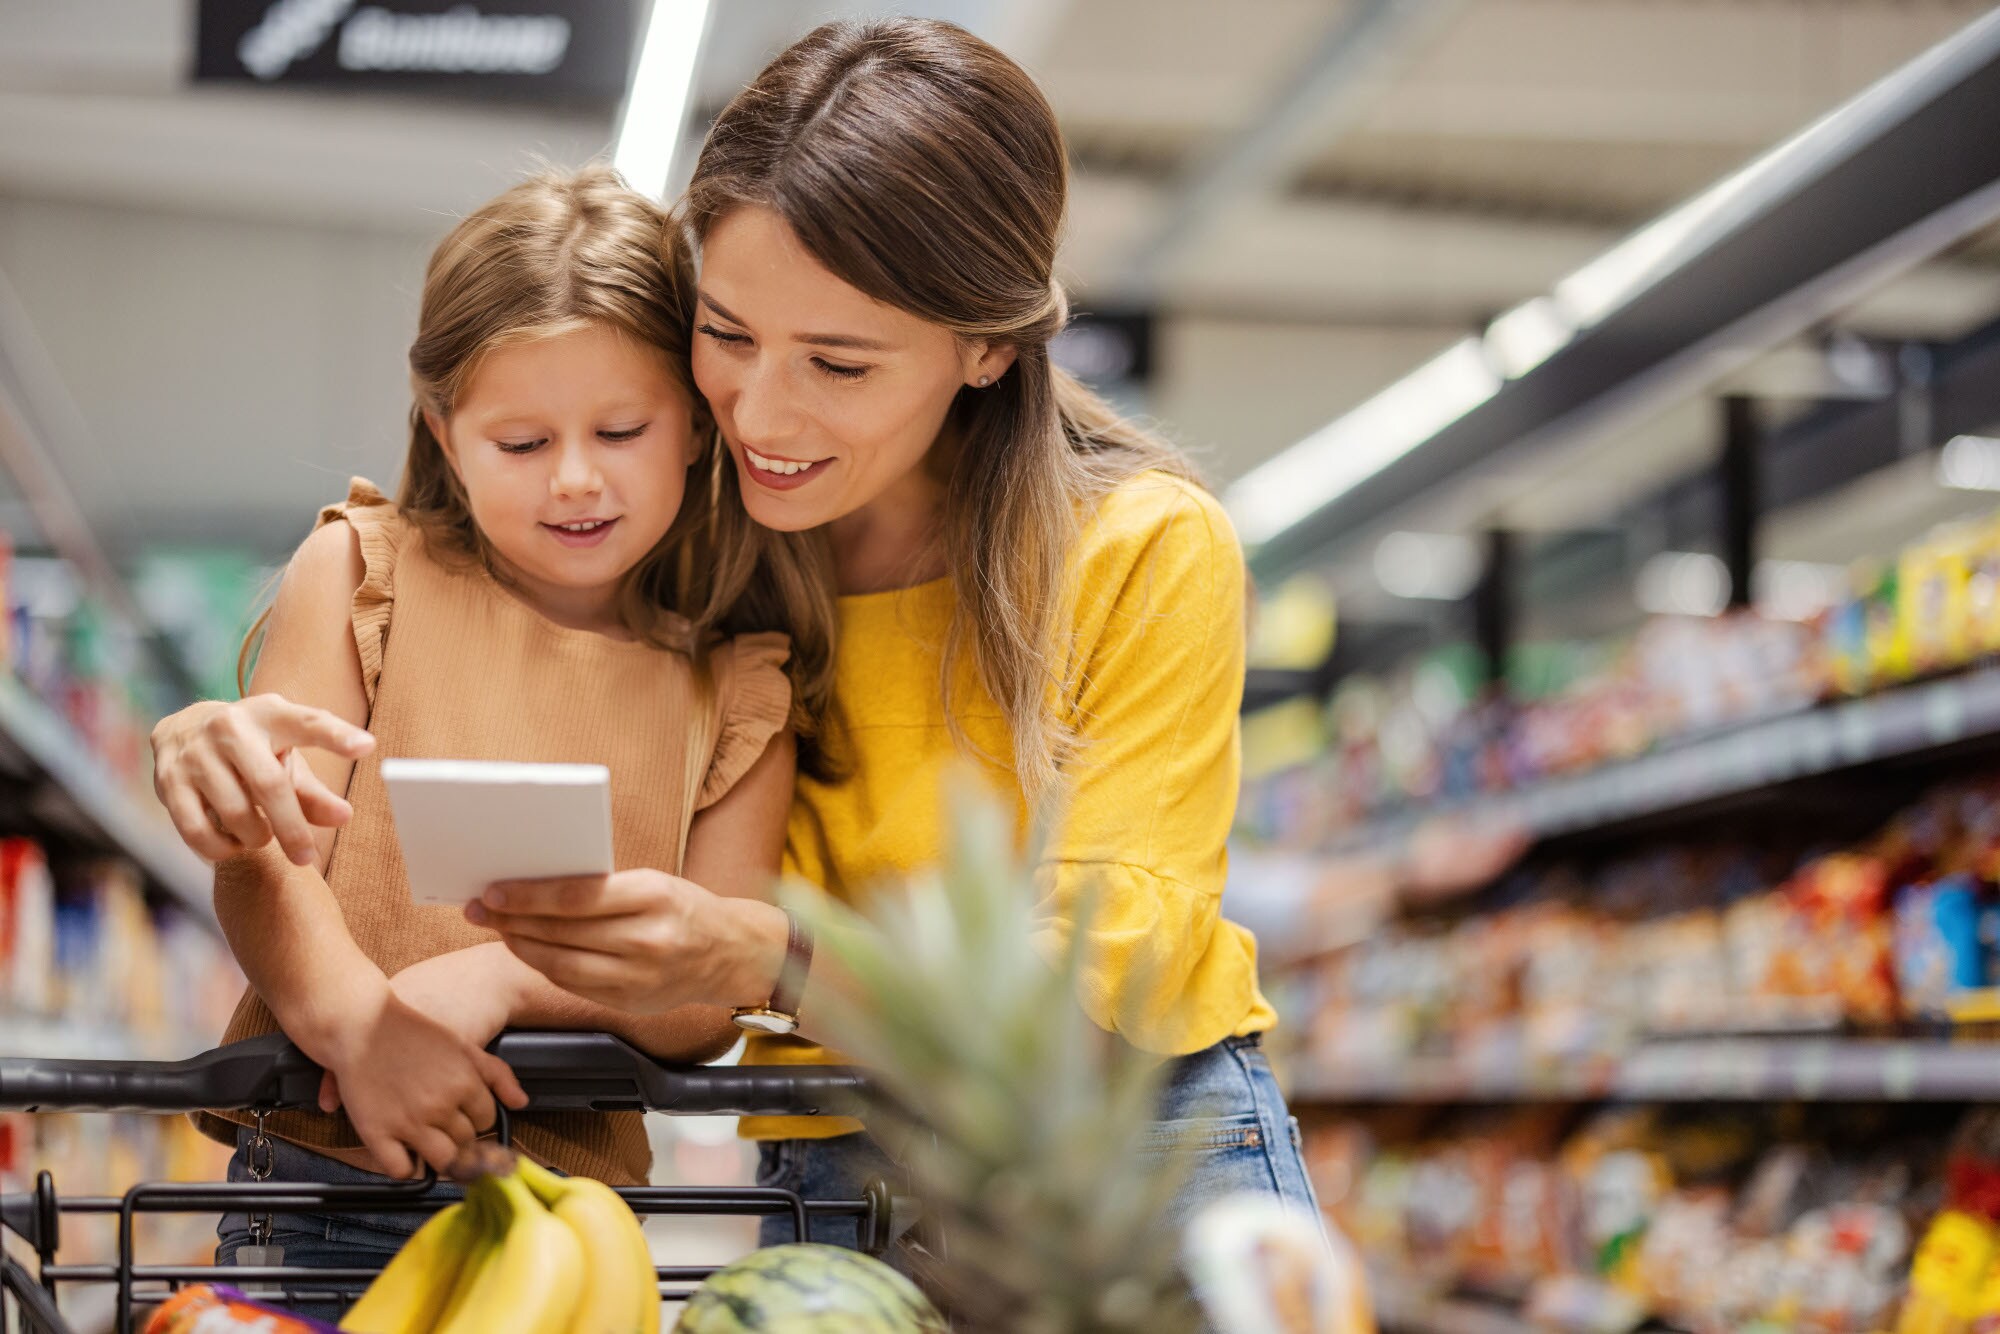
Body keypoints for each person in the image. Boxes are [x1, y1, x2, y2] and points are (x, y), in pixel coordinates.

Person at [151, 18, 1504, 1248]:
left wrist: (768, 960)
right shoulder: (704, 547)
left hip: (1129, 1152)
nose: (763, 413)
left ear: (987, 347)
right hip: (830, 1168)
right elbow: (453, 654)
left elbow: (1099, 982)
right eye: (727, 336)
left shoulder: (1137, 547)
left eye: (840, 364)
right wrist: (220, 743)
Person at [176, 167, 808, 1289]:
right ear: (443, 430)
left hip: (570, 1237)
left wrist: (505, 977)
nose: (574, 478)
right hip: (315, 1182)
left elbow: (706, 998)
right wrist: (363, 1029)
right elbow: (271, 862)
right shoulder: (363, 574)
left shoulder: (740, 684)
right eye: (520, 443)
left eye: (621, 428)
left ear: (701, 428)